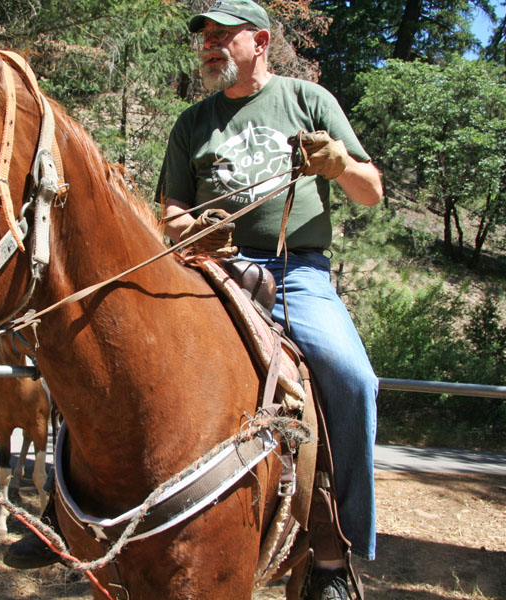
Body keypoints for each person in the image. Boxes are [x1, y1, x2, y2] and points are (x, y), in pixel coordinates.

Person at [157, 1, 383, 598]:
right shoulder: (192, 124)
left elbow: (372, 191)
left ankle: (336, 551)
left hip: (297, 272)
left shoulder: (308, 100)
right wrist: (192, 228)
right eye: (204, 36)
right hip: (211, 268)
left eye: (222, 35)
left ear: (259, 41)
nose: (209, 45)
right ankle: (70, 508)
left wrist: (337, 165)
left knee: (353, 378)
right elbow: (170, 213)